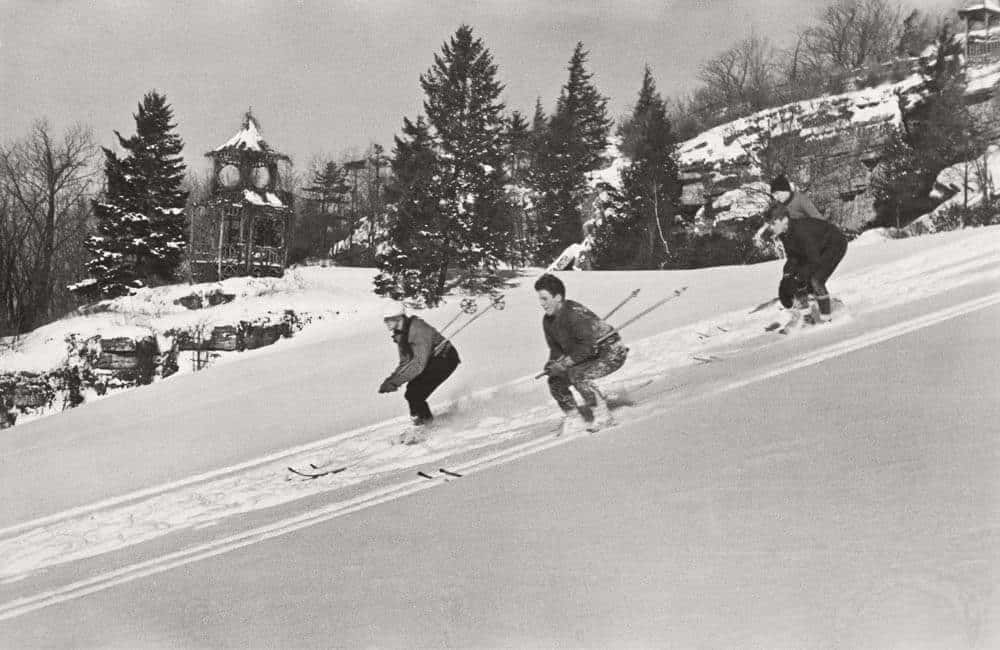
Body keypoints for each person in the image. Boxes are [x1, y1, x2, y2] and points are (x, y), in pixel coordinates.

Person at [535, 273, 628, 436]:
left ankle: (603, 415)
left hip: (611, 352)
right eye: (540, 299)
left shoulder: (575, 314)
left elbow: (588, 347)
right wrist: (553, 365)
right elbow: (556, 349)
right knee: (555, 381)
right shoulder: (548, 321)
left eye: (545, 298)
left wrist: (565, 363)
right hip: (586, 355)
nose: (541, 303)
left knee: (577, 374)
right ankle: (574, 418)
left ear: (558, 297)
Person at [378, 304, 460, 430]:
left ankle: (428, 425)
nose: (386, 323)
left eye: (389, 319)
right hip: (432, 359)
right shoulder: (400, 333)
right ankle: (419, 420)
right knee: (411, 392)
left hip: (445, 359)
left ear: (399, 318)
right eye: (385, 320)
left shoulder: (417, 330)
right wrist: (392, 379)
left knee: (415, 394)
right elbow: (406, 361)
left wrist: (395, 382)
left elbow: (418, 364)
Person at [767, 204, 848, 322]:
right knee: (796, 280)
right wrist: (786, 278)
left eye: (773, 223)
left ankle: (827, 320)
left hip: (835, 244)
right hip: (816, 250)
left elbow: (814, 260)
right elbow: (793, 257)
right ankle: (808, 318)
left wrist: (799, 277)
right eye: (769, 224)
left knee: (815, 280)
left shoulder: (802, 231)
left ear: (784, 220)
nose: (770, 227)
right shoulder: (784, 233)